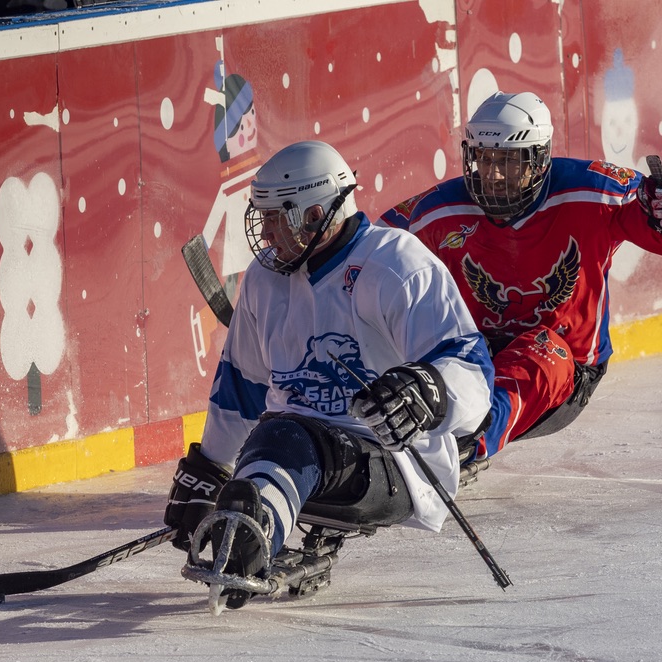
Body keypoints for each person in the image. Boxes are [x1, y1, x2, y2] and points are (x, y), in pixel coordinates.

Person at [164, 140, 494, 610]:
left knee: (284, 437)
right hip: (292, 447)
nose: (267, 233)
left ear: (317, 215)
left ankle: (254, 536)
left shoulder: (396, 263)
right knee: (281, 435)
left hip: (390, 464)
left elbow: (473, 370)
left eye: (278, 217)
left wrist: (427, 390)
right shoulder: (265, 279)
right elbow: (242, 384)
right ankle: (249, 531)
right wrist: (209, 470)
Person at [379, 91, 662, 460]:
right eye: (484, 158)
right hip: (473, 356)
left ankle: (464, 448)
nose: (493, 174)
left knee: (544, 351)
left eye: (509, 161)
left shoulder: (595, 192)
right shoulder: (437, 210)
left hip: (562, 367)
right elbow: (370, 254)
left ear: (539, 159)